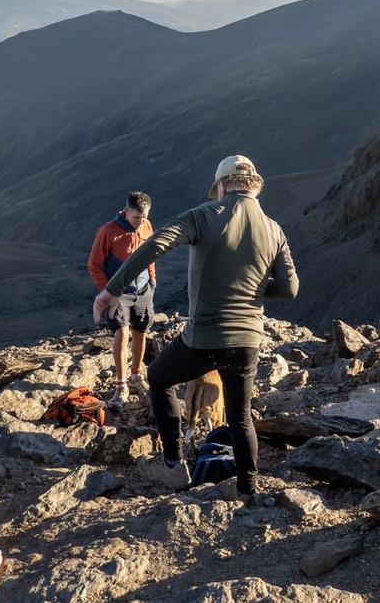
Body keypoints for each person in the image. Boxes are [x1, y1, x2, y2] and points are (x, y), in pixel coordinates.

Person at [93, 155, 297, 502]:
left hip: (205, 335)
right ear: (254, 185)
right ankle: (248, 489)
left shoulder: (204, 215)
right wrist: (254, 291)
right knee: (240, 415)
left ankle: (173, 465)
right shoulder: (275, 229)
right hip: (249, 339)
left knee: (158, 378)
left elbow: (155, 244)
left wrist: (111, 290)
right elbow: (290, 288)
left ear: (221, 185)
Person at [87, 191, 156, 406]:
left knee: (141, 332)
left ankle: (136, 375)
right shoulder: (108, 232)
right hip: (119, 293)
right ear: (126, 212)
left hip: (143, 288)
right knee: (122, 333)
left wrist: (152, 280)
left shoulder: (146, 226)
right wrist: (107, 290)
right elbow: (94, 265)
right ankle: (121, 384)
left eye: (144, 217)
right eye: (137, 217)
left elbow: (151, 252)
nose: (141, 221)